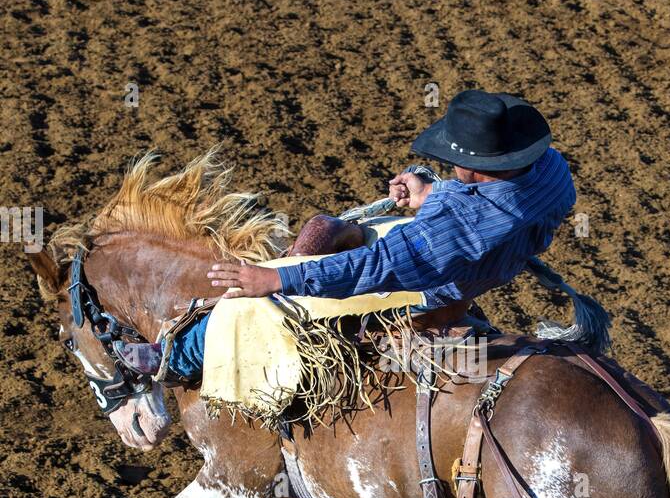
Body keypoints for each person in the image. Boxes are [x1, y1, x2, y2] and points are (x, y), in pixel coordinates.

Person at [159, 89, 576, 382]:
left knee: (271, 302)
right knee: (324, 229)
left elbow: (382, 266)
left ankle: (176, 358)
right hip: (480, 260)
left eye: (452, 162)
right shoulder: (551, 170)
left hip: (432, 286)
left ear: (474, 168)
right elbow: (484, 207)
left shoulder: (457, 221)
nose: (449, 167)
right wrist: (432, 193)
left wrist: (274, 279)